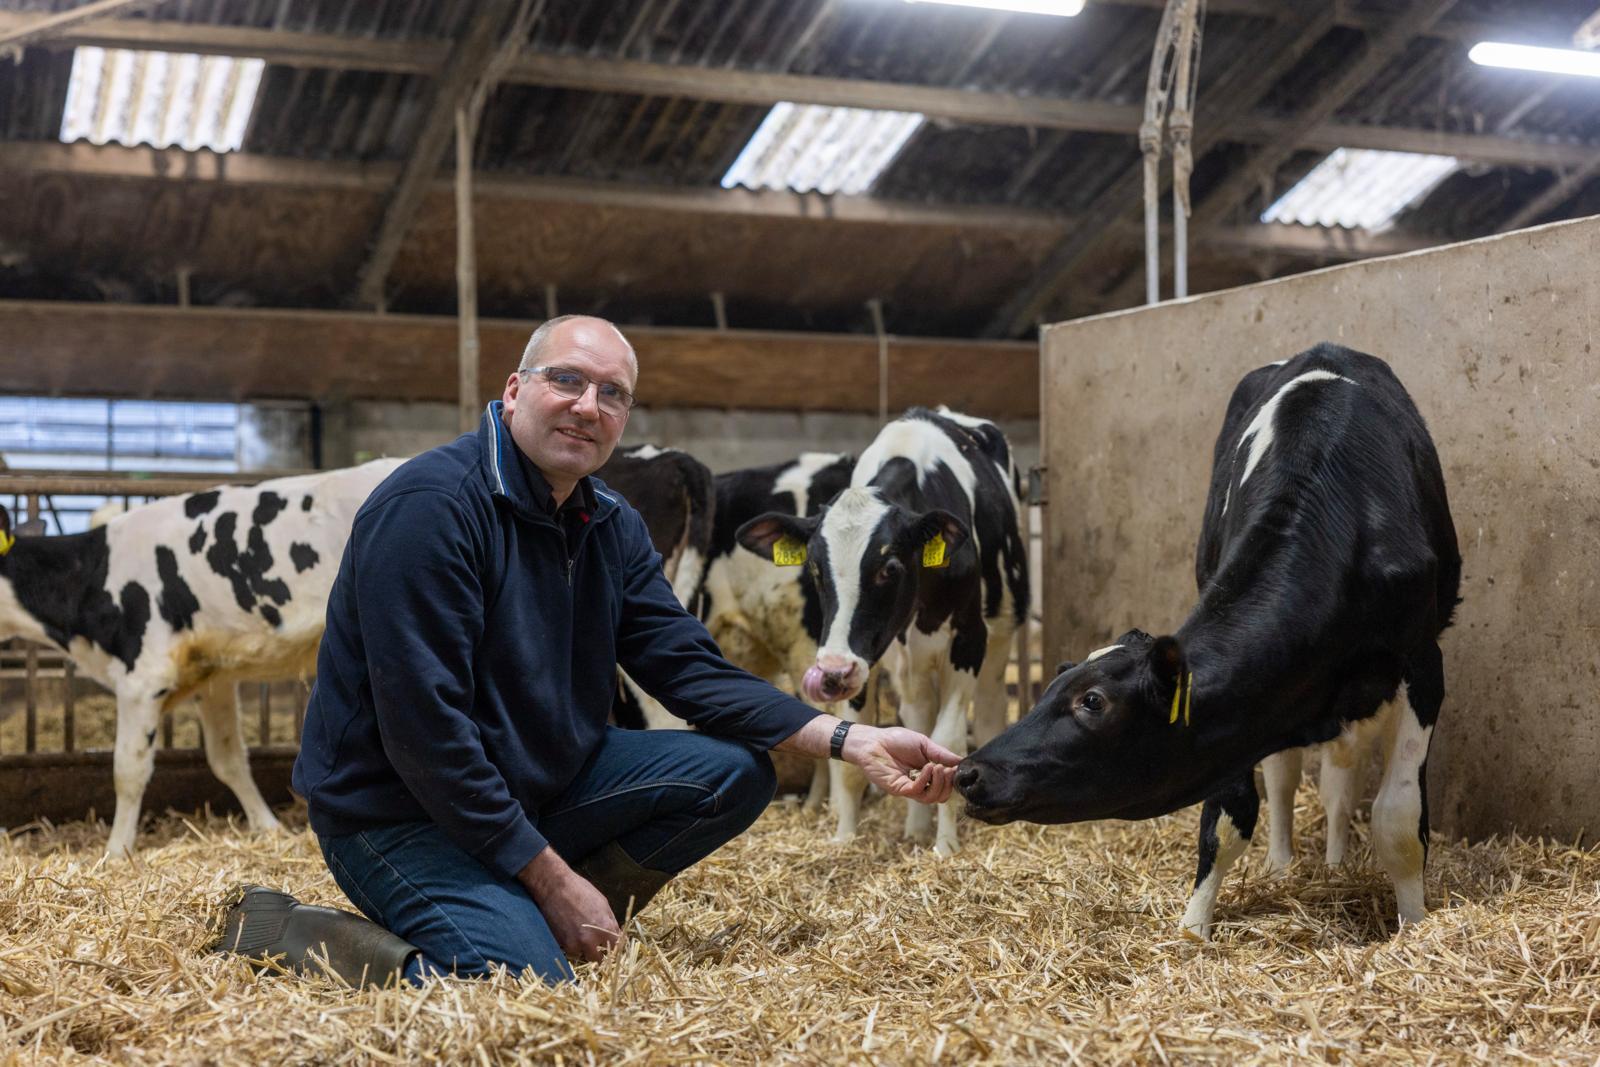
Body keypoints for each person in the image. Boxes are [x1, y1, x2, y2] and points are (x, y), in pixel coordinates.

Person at [213, 315, 961, 988]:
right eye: (566, 380)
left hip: (534, 787)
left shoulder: (610, 523)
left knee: (735, 771)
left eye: (612, 393)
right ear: (514, 390)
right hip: (396, 813)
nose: (587, 405)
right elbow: (425, 736)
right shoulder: (430, 512)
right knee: (526, 992)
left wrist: (850, 737)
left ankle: (540, 911)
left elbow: (685, 665)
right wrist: (550, 878)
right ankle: (298, 931)